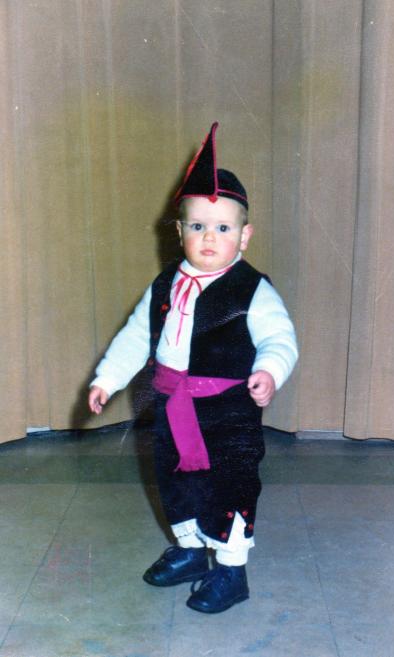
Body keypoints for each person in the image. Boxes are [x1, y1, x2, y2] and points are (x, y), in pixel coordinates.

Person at [88, 122, 298, 613]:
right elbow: (135, 336)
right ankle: (189, 551)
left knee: (229, 484)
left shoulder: (252, 290)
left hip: (227, 412)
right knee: (175, 480)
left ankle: (231, 570)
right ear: (180, 231)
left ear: (244, 237)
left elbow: (279, 338)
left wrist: (270, 370)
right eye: (198, 226)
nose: (209, 237)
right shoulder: (165, 284)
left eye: (223, 228)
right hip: (170, 405)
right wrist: (107, 378)